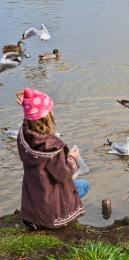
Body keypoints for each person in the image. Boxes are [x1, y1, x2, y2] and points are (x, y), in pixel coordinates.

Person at [16, 87, 90, 229]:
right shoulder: (53, 147)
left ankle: (37, 219)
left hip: (33, 203)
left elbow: (28, 121)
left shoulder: (23, 136)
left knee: (71, 186)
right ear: (46, 117)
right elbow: (63, 175)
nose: (53, 112)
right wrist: (73, 158)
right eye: (51, 110)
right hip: (50, 212)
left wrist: (26, 106)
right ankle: (61, 218)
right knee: (84, 185)